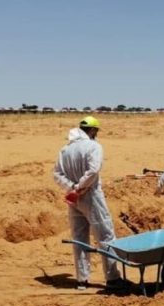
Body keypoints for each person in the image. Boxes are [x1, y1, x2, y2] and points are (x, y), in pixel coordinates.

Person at [53, 116, 126, 290]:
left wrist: (71, 188)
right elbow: (93, 171)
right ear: (92, 130)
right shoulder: (94, 147)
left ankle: (82, 280)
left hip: (73, 198)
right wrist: (79, 187)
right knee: (106, 236)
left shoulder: (65, 150)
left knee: (79, 238)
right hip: (91, 196)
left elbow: (56, 174)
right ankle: (113, 278)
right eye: (96, 131)